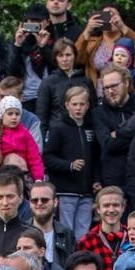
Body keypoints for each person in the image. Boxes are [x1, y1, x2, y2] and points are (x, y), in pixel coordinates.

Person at [43, 86, 98, 237]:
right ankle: (66, 260)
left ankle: (80, 260)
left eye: (82, 104)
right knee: (66, 233)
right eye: (74, 104)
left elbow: (96, 159)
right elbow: (47, 157)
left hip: (86, 193)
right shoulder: (58, 129)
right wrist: (69, 165)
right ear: (67, 105)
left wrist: (96, 180)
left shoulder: (91, 129)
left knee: (83, 234)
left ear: (87, 105)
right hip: (65, 191)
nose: (78, 108)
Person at [91, 66, 135, 196]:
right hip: (114, 181)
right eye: (106, 88)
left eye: (114, 86)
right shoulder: (99, 113)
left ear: (127, 83)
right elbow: (108, 144)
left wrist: (118, 133)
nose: (110, 91)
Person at [75, 187, 128, 270]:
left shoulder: (133, 237)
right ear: (98, 209)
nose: (111, 210)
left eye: (116, 205)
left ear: (123, 208)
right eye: (106, 206)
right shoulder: (86, 241)